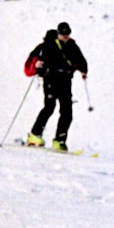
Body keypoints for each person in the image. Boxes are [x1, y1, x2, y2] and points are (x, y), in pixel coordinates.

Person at [25, 21, 88, 150]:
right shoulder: (48, 45)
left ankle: (60, 140)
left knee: (67, 111)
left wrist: (83, 70)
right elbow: (38, 59)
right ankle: (35, 134)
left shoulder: (72, 45)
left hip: (65, 81)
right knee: (49, 107)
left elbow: (81, 59)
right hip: (51, 80)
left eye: (68, 33)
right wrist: (38, 66)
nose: (65, 35)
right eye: (63, 33)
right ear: (58, 33)